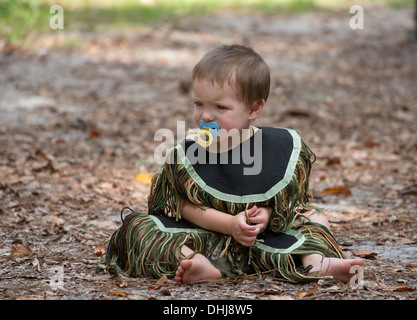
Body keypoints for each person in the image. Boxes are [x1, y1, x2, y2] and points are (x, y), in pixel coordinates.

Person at [105, 44, 363, 284]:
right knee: (140, 226)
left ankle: (316, 262)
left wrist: (268, 215)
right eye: (199, 104)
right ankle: (200, 265)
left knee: (314, 215)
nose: (206, 115)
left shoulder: (278, 146)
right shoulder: (188, 153)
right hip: (207, 239)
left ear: (253, 109)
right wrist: (229, 225)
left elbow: (290, 204)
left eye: (220, 107)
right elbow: (181, 207)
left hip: (263, 238)